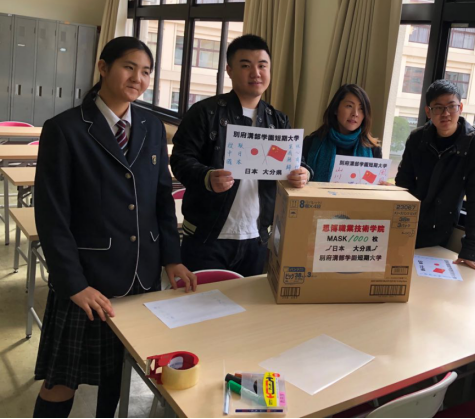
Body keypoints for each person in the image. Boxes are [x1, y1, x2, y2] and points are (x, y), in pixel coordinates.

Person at [32, 37, 196, 419]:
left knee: (117, 374)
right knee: (61, 380)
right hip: (88, 281)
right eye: (129, 67)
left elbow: (161, 199)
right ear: (103, 68)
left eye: (146, 71)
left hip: (140, 275)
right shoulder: (65, 129)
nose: (138, 78)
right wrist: (73, 284)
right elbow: (52, 215)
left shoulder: (152, 127)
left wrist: (171, 259)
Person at [171, 34, 311, 278]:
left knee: (247, 302)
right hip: (208, 236)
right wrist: (207, 176)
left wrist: (304, 172)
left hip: (256, 238)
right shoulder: (205, 112)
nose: (255, 73)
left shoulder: (277, 120)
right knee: (201, 301)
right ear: (229, 70)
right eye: (245, 65)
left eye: (262, 65)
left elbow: (294, 162)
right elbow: (180, 159)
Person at [395, 80, 475, 272]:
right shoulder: (417, 139)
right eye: (438, 108)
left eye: (451, 106)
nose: (446, 113)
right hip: (408, 224)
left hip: (441, 228)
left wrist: (470, 250)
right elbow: (403, 184)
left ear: (460, 108)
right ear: (428, 111)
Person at [303, 84, 382, 182]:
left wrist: (382, 187)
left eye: (361, 109)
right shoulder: (311, 143)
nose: (355, 114)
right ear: (336, 109)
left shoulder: (373, 149)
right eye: (349, 106)